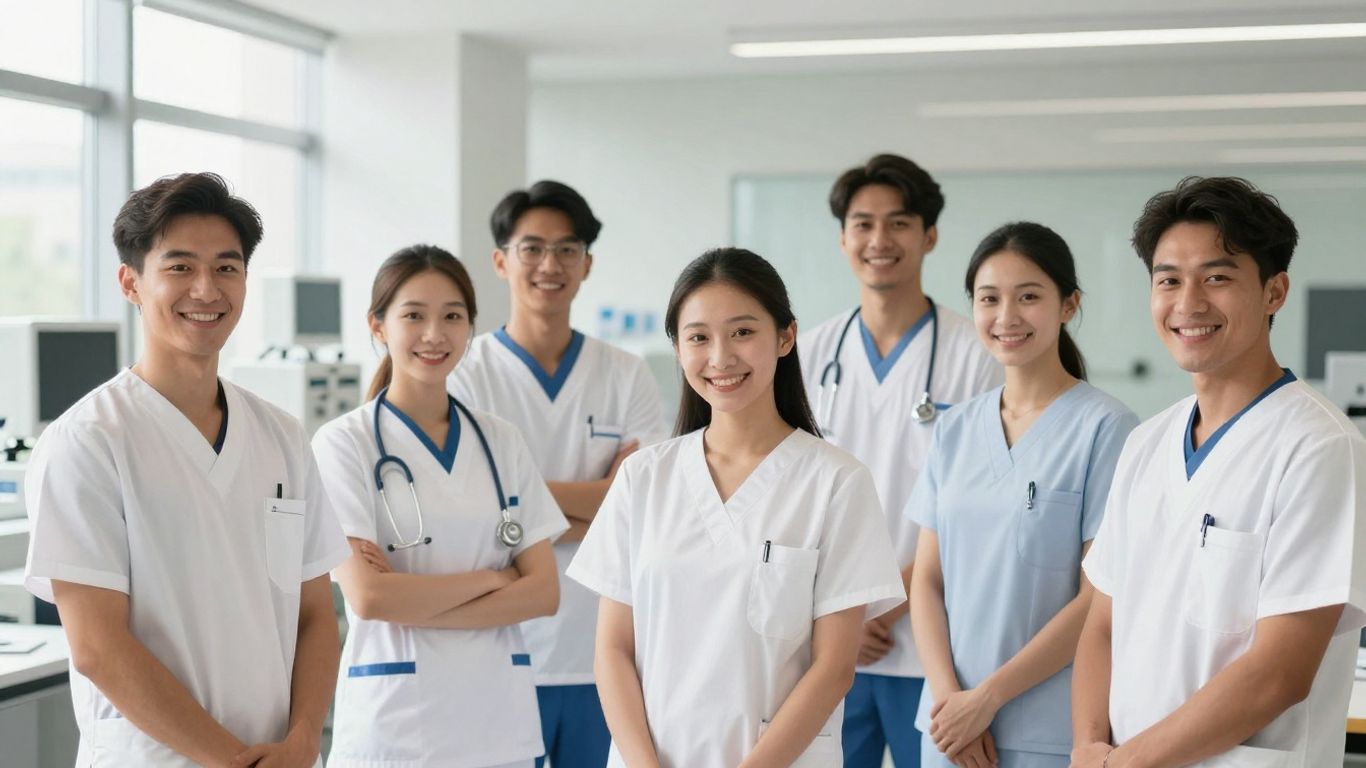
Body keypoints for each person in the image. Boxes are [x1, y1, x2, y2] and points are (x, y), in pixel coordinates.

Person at [23, 172, 349, 767]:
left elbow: (314, 615)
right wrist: (233, 761)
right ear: (131, 283)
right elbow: (97, 646)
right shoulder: (90, 442)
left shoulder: (281, 436)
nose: (206, 289)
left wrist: (303, 742)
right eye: (179, 267)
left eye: (227, 267)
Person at [567, 247, 906, 767]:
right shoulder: (643, 477)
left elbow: (834, 667)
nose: (720, 357)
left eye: (743, 332)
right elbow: (612, 651)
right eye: (698, 337)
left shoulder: (836, 482)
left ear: (785, 337)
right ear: (678, 349)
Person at [1071, 177, 1366, 767]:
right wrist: (1088, 747)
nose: (1189, 303)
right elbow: (1102, 624)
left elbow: (1278, 673)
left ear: (1274, 291)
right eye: (1169, 280)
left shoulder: (1318, 446)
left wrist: (1123, 764)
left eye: (1218, 277)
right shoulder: (1146, 444)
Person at [314, 245, 569, 768]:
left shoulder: (501, 441)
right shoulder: (343, 444)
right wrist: (494, 580)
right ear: (378, 326)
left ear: (470, 326)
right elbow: (370, 598)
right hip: (397, 730)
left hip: (500, 729)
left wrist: (416, 601)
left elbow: (544, 593)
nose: (435, 334)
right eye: (414, 315)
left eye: (452, 316)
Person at [449, 181, 668, 768]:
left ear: (587, 263)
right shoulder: (466, 374)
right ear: (501, 260)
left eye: (567, 250)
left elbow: (641, 507)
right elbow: (467, 510)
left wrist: (517, 509)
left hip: (606, 650)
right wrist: (597, 501)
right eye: (532, 249)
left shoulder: (627, 374)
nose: (551, 265)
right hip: (501, 650)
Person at [907, 222, 1138, 768]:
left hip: (1049, 731)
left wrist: (987, 700)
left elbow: (1096, 598)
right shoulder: (954, 428)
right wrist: (952, 706)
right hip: (948, 732)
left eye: (1029, 296)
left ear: (1068, 304)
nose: (1006, 316)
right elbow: (926, 579)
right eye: (989, 299)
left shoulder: (1107, 428)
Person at [800, 153, 1003, 767]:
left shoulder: (978, 353)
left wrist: (881, 601)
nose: (879, 240)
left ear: (929, 235)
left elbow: (979, 505)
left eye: (898, 223)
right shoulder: (808, 355)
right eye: (863, 224)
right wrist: (840, 612)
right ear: (843, 239)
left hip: (930, 643)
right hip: (829, 643)